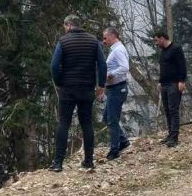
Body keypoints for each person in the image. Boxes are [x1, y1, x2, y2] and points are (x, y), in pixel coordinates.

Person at [49, 14, 107, 172]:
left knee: (64, 123)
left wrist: (59, 81)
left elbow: (54, 66)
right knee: (87, 123)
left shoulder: (63, 41)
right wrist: (100, 85)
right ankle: (88, 161)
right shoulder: (93, 41)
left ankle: (58, 163)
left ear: (68, 25)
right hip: (87, 88)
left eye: (64, 27)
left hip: (68, 88)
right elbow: (102, 65)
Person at [102, 27, 131, 160]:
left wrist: (111, 75)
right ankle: (123, 141)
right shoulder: (115, 49)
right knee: (106, 117)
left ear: (113, 36)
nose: (104, 41)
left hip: (118, 89)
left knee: (112, 120)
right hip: (113, 89)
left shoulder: (118, 50)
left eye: (105, 38)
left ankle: (114, 150)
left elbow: (125, 67)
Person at [154, 31, 186, 148]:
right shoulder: (163, 52)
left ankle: (174, 137)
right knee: (167, 110)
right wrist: (160, 82)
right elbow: (163, 68)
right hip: (164, 85)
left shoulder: (176, 49)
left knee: (173, 110)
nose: (156, 43)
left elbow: (182, 65)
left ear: (162, 38)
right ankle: (170, 134)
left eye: (157, 40)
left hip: (174, 84)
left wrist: (181, 81)